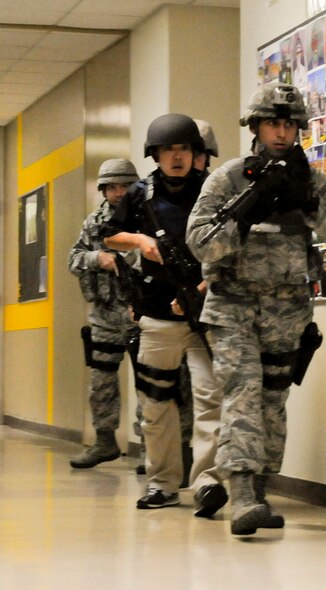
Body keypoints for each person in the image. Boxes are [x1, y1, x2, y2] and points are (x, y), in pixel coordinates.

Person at [186, 82, 326, 536]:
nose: (281, 133)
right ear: (255, 128)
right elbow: (199, 241)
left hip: (287, 312)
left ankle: (258, 489)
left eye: (288, 125)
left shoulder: (313, 181)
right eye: (272, 124)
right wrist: (248, 205)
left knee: (272, 403)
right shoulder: (227, 178)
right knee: (242, 394)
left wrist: (311, 201)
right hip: (233, 307)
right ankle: (242, 494)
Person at [103, 113, 227, 516]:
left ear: (196, 154)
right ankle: (162, 484)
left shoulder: (213, 190)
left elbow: (231, 245)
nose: (177, 157)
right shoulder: (140, 194)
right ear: (154, 154)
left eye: (185, 149)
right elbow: (110, 235)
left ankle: (208, 482)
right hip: (158, 314)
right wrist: (139, 238)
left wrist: (204, 286)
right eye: (169, 150)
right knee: (156, 405)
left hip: (207, 313)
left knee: (211, 400)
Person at [67, 159, 141, 469]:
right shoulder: (94, 223)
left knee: (152, 386)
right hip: (105, 314)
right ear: (104, 190)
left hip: (142, 314)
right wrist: (99, 258)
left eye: (124, 186)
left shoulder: (147, 218)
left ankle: (155, 450)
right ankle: (105, 441)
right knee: (101, 382)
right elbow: (74, 258)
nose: (119, 192)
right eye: (113, 187)